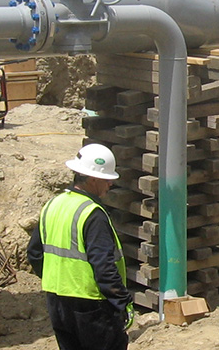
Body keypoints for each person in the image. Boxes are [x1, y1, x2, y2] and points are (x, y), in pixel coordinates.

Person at [27, 143, 132, 350]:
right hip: (92, 306)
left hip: (57, 303)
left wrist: (58, 279)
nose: (110, 184)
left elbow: (34, 253)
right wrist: (122, 301)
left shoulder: (53, 205)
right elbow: (104, 267)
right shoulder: (92, 214)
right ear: (92, 178)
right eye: (107, 179)